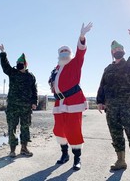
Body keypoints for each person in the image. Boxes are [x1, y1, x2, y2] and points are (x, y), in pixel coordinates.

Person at [96, 29, 130, 181]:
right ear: (112, 53)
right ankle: (121, 161)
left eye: (119, 49)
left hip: (129, 109)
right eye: (115, 50)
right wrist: (100, 101)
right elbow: (102, 85)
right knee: (116, 135)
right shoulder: (108, 69)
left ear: (124, 51)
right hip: (112, 110)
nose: (117, 51)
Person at [48, 22, 93, 171]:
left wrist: (81, 36)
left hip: (73, 102)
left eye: (67, 51)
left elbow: (81, 52)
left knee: (73, 130)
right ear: (59, 54)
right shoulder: (56, 68)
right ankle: (64, 155)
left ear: (70, 53)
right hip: (59, 103)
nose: (65, 53)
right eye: (62, 51)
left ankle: (77, 158)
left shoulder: (75, 63)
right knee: (59, 130)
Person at [0, 43, 38, 158]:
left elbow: (34, 90)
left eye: (21, 64)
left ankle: (24, 148)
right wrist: (2, 52)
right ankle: (12, 150)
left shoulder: (30, 76)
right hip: (13, 106)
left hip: (26, 107)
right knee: (12, 128)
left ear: (25, 65)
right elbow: (5, 66)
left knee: (25, 127)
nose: (19, 66)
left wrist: (34, 102)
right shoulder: (13, 73)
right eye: (18, 64)